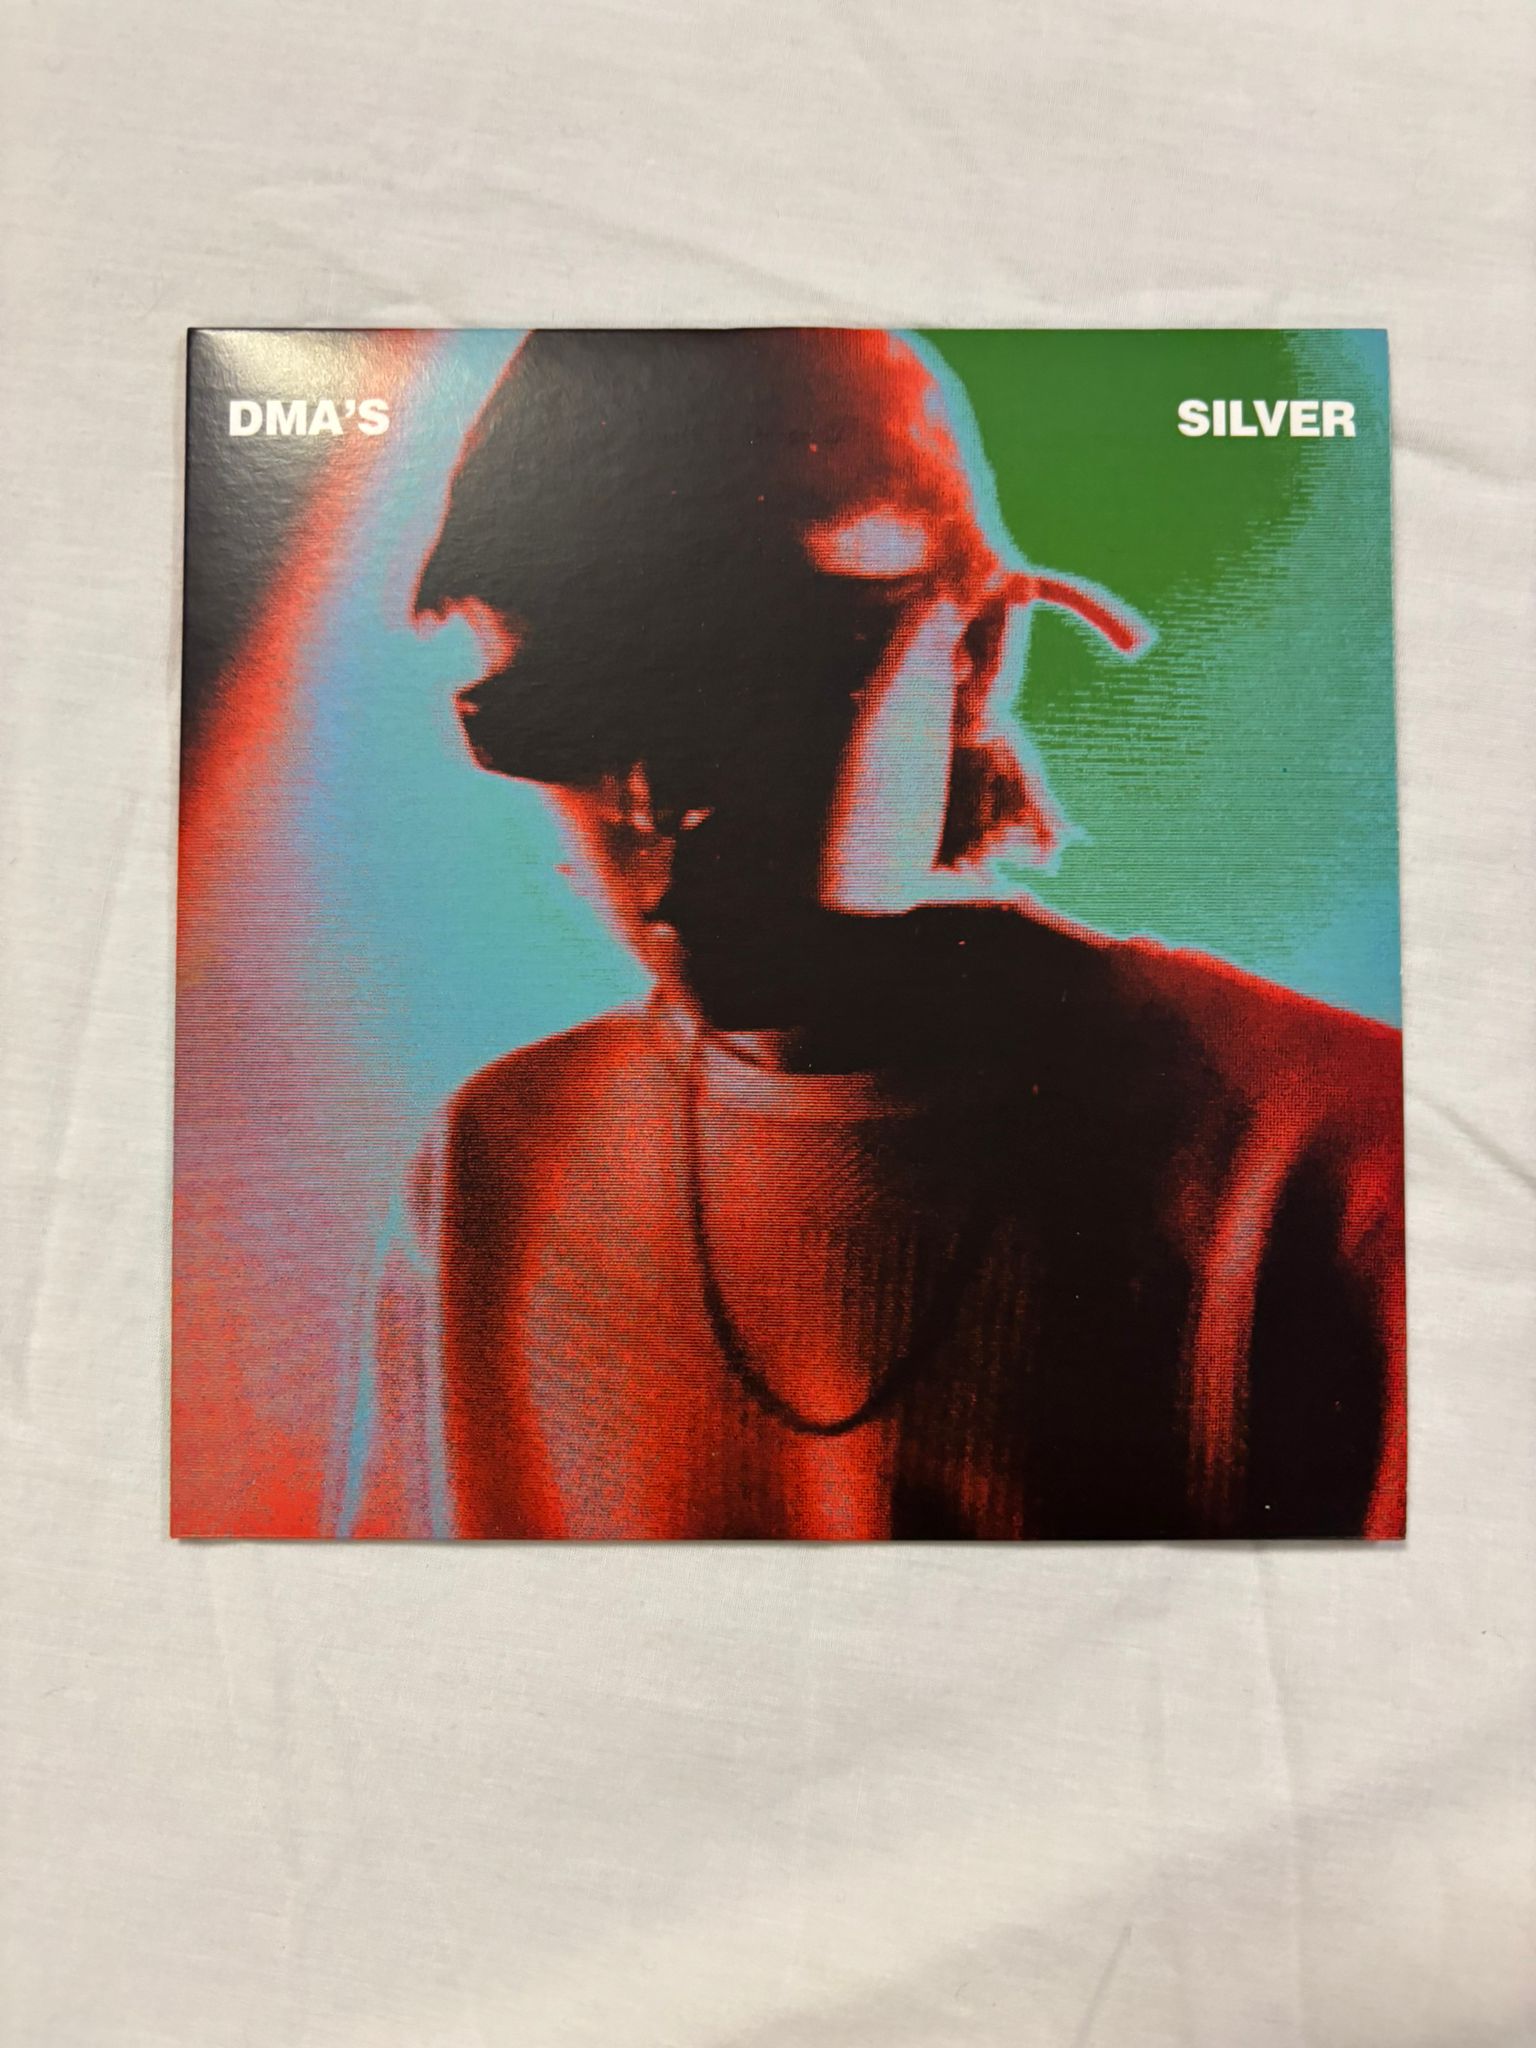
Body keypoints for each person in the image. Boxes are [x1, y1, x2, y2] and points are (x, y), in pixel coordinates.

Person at [334, 328, 1405, 1542]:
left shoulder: (1333, 1163)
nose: (659, 786)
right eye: (554, 706)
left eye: (754, 666)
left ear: (979, 651)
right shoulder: (493, 1164)